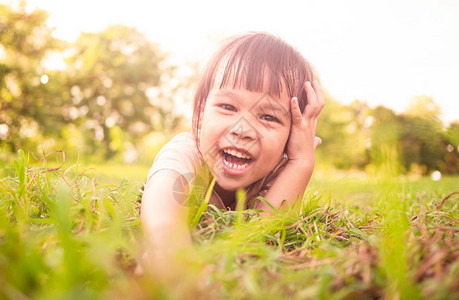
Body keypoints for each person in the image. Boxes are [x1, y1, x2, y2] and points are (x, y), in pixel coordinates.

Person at [139, 32, 324, 275]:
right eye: (228, 107)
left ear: (290, 136)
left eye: (268, 117)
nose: (242, 130)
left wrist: (301, 160)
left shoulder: (280, 171)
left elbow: (262, 232)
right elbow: (164, 191)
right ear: (200, 115)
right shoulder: (189, 150)